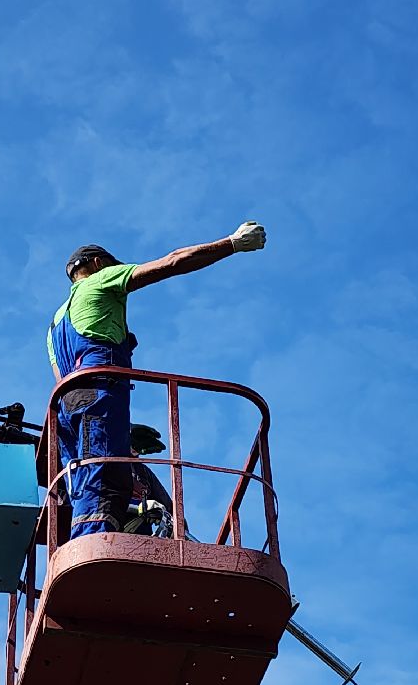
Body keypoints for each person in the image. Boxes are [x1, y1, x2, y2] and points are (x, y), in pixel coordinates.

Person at [46, 221, 267, 538]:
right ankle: (95, 546)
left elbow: (62, 379)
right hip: (100, 391)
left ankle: (87, 541)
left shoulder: (54, 326)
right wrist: (231, 243)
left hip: (67, 407)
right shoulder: (100, 280)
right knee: (106, 475)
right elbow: (174, 261)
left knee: (82, 478)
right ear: (97, 264)